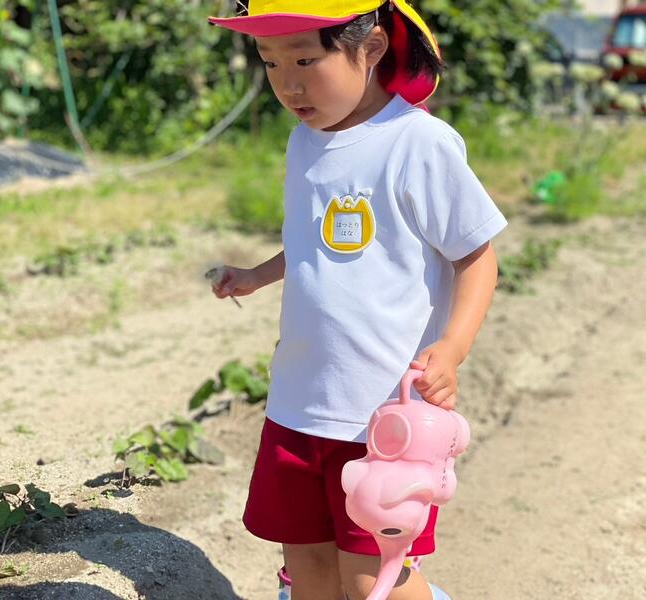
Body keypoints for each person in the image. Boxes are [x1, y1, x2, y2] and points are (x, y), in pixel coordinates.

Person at [207, 1, 507, 598]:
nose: (288, 84)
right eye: (270, 63)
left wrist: (452, 349)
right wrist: (258, 276)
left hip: (385, 414)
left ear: (370, 49)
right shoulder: (304, 142)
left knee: (375, 577)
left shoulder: (417, 142)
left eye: (304, 61)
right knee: (307, 566)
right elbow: (314, 240)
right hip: (299, 403)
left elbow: (477, 257)